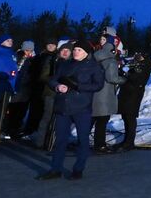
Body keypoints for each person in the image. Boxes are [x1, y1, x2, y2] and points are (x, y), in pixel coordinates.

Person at [38, 40, 105, 180]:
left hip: (82, 107)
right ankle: (55, 169)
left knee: (82, 139)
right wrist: (57, 86)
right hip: (63, 106)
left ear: (86, 53)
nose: (75, 52)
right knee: (60, 139)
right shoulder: (64, 64)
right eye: (75, 49)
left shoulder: (94, 66)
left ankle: (78, 169)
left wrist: (78, 86)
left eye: (79, 50)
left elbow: (98, 85)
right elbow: (53, 80)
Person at [90, 33, 124, 152]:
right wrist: (123, 79)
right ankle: (100, 145)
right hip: (105, 96)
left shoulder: (95, 56)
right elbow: (112, 78)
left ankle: (82, 142)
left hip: (94, 94)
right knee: (102, 121)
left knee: (91, 119)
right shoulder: (110, 60)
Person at [115, 50, 151, 152]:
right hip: (128, 93)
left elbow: (136, 79)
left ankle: (129, 142)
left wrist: (124, 73)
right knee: (126, 117)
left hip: (133, 95)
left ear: (144, 56)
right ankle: (126, 141)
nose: (137, 55)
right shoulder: (138, 64)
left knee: (130, 118)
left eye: (139, 54)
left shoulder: (144, 66)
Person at [4, 40, 36, 140]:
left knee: (21, 111)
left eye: (30, 50)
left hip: (27, 89)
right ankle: (8, 129)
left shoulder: (33, 59)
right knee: (13, 110)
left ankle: (17, 129)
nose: (28, 52)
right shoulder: (17, 57)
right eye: (26, 50)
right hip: (16, 87)